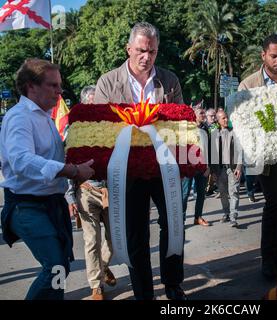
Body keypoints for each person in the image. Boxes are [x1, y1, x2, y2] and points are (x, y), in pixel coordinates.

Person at [94, 22, 186, 300]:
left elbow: (181, 123)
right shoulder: (108, 82)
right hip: (127, 171)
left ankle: (172, 283)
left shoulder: (169, 81)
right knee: (136, 235)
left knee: (174, 225)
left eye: (153, 52)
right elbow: (100, 128)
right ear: (128, 48)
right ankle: (144, 293)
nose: (147, 57)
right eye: (141, 51)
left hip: (164, 167)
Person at [0, 58, 95, 300]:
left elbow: (51, 159)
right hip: (27, 205)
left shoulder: (44, 116)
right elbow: (21, 160)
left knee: (59, 266)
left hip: (49, 203)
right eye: (53, 85)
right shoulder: (20, 117)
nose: (60, 91)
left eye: (59, 85)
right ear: (31, 86)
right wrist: (73, 170)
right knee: (55, 265)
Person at [238, 34, 277, 279]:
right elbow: (241, 122)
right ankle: (266, 261)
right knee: (274, 203)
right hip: (262, 155)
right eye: (274, 56)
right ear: (263, 55)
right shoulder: (247, 85)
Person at [65, 85, 116, 300]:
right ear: (85, 103)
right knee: (91, 240)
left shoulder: (112, 126)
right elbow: (67, 162)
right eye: (94, 101)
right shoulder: (74, 130)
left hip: (110, 191)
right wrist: (69, 196)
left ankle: (102, 267)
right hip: (86, 191)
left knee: (115, 239)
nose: (98, 105)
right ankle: (96, 286)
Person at [210, 110, 242, 228]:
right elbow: (212, 155)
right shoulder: (214, 135)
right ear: (218, 121)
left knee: (234, 192)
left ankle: (233, 217)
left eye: (226, 117)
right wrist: (212, 172)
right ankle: (226, 213)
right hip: (220, 170)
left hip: (232, 168)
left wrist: (239, 166)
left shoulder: (234, 133)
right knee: (223, 193)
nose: (226, 119)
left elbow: (240, 151)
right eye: (223, 118)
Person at [181, 107, 211, 226]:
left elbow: (208, 150)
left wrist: (208, 167)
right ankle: (181, 220)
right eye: (201, 113)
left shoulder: (205, 131)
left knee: (201, 194)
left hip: (202, 168)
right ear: (194, 115)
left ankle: (198, 217)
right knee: (184, 194)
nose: (204, 115)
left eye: (204, 113)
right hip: (189, 168)